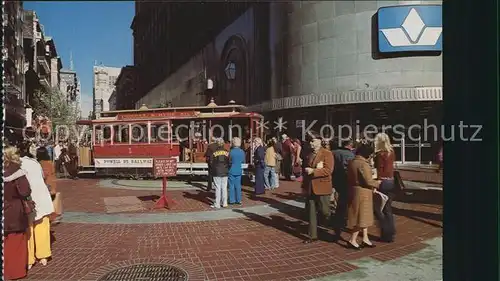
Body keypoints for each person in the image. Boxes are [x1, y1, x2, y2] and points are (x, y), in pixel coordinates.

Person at [19, 143, 55, 268]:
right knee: (42, 226)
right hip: (41, 196)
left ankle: (29, 259)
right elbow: (42, 177)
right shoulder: (35, 162)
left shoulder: (18, 164)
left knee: (29, 229)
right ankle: (43, 255)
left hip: (30, 198)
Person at [3, 146, 32, 280]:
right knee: (16, 242)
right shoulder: (17, 172)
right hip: (14, 210)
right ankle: (15, 272)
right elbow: (25, 192)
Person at [346, 142, 381, 250]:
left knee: (362, 216)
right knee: (361, 218)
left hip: (355, 190)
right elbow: (368, 181)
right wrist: (377, 183)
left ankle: (365, 238)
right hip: (363, 192)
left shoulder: (352, 162)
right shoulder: (363, 164)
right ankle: (352, 239)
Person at [302, 132, 334, 244]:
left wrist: (314, 171)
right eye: (310, 141)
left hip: (323, 186)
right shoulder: (308, 154)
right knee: (311, 212)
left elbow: (328, 170)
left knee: (325, 211)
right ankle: (312, 235)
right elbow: (304, 170)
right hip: (311, 187)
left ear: (320, 141)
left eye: (313, 141)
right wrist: (304, 186)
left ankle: (334, 226)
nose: (311, 143)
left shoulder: (327, 153)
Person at [373, 133, 397, 243]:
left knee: (379, 209)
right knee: (388, 208)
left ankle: (385, 232)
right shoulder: (391, 152)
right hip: (391, 181)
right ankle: (390, 232)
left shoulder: (380, 154)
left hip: (382, 181)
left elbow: (380, 169)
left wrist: (377, 182)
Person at [332, 139, 355, 239]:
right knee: (344, 204)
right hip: (345, 181)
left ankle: (337, 222)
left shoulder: (333, 152)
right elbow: (349, 169)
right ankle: (341, 223)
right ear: (350, 145)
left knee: (339, 202)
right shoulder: (349, 155)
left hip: (335, 180)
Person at [37, 147, 62, 224]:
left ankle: (51, 218)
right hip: (52, 184)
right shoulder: (50, 162)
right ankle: (52, 217)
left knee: (45, 204)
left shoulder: (41, 163)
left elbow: (44, 175)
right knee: (50, 202)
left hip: (46, 186)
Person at [209, 138, 229, 209]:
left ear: (216, 143)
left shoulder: (214, 152)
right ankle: (225, 203)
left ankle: (217, 204)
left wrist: (213, 168)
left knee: (217, 188)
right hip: (225, 171)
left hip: (216, 171)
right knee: (224, 187)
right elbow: (229, 162)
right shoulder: (227, 152)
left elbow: (210, 162)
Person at [228, 137, 245, 205]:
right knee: (238, 185)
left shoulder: (231, 152)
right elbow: (243, 161)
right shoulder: (242, 151)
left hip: (231, 169)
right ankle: (239, 199)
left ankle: (232, 200)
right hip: (238, 169)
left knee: (231, 185)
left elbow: (229, 161)